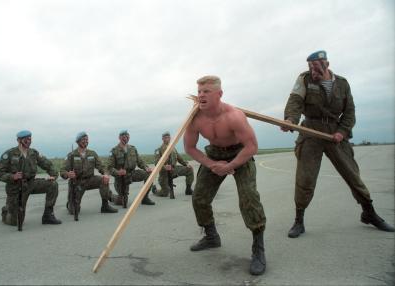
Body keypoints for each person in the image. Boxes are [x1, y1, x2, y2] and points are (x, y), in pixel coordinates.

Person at [281, 50, 394, 238]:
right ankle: (298, 221)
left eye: (316, 66)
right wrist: (290, 120)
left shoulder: (342, 83)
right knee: (305, 178)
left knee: (353, 175)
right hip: (311, 132)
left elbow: (349, 111)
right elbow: (295, 101)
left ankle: (369, 213)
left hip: (335, 132)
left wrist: (342, 132)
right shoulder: (304, 79)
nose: (313, 70)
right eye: (310, 67)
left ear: (327, 64)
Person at [184, 75, 267, 275]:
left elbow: (252, 147)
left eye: (206, 92)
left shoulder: (234, 116)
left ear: (219, 94)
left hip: (240, 153)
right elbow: (190, 148)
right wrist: (213, 164)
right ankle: (212, 236)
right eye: (199, 92)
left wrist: (230, 165)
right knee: (199, 198)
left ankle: (258, 247)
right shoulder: (194, 118)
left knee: (249, 197)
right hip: (214, 154)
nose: (201, 95)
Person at [0, 130, 62, 226]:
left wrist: (53, 175)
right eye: (26, 139)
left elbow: (47, 164)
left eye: (30, 139)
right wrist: (12, 176)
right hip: (16, 187)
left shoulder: (33, 153)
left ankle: (48, 215)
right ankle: (6, 211)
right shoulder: (10, 154)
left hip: (31, 183)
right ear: (19, 140)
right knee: (16, 222)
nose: (29, 141)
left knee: (52, 184)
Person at [60, 132, 118, 217]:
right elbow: (62, 170)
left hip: (90, 179)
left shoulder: (92, 154)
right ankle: (70, 204)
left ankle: (105, 206)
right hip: (77, 182)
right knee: (74, 210)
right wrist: (68, 174)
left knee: (103, 180)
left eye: (87, 139)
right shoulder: (71, 155)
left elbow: (101, 166)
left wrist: (105, 174)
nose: (85, 141)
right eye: (83, 139)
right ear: (78, 141)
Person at [107, 130, 156, 206]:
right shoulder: (114, 151)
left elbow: (140, 161)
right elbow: (109, 168)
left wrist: (146, 167)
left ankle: (145, 198)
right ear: (119, 138)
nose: (125, 138)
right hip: (121, 177)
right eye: (123, 137)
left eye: (127, 136)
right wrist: (118, 172)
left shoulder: (132, 149)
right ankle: (110, 196)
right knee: (122, 201)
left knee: (149, 175)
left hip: (132, 173)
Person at [152, 131, 194, 198]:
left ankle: (188, 190)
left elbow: (179, 158)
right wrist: (164, 167)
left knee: (189, 170)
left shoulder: (173, 148)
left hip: (174, 169)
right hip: (164, 173)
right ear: (162, 139)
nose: (167, 139)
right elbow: (156, 163)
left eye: (168, 137)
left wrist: (186, 164)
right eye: (165, 137)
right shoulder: (158, 150)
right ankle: (155, 190)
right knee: (165, 193)